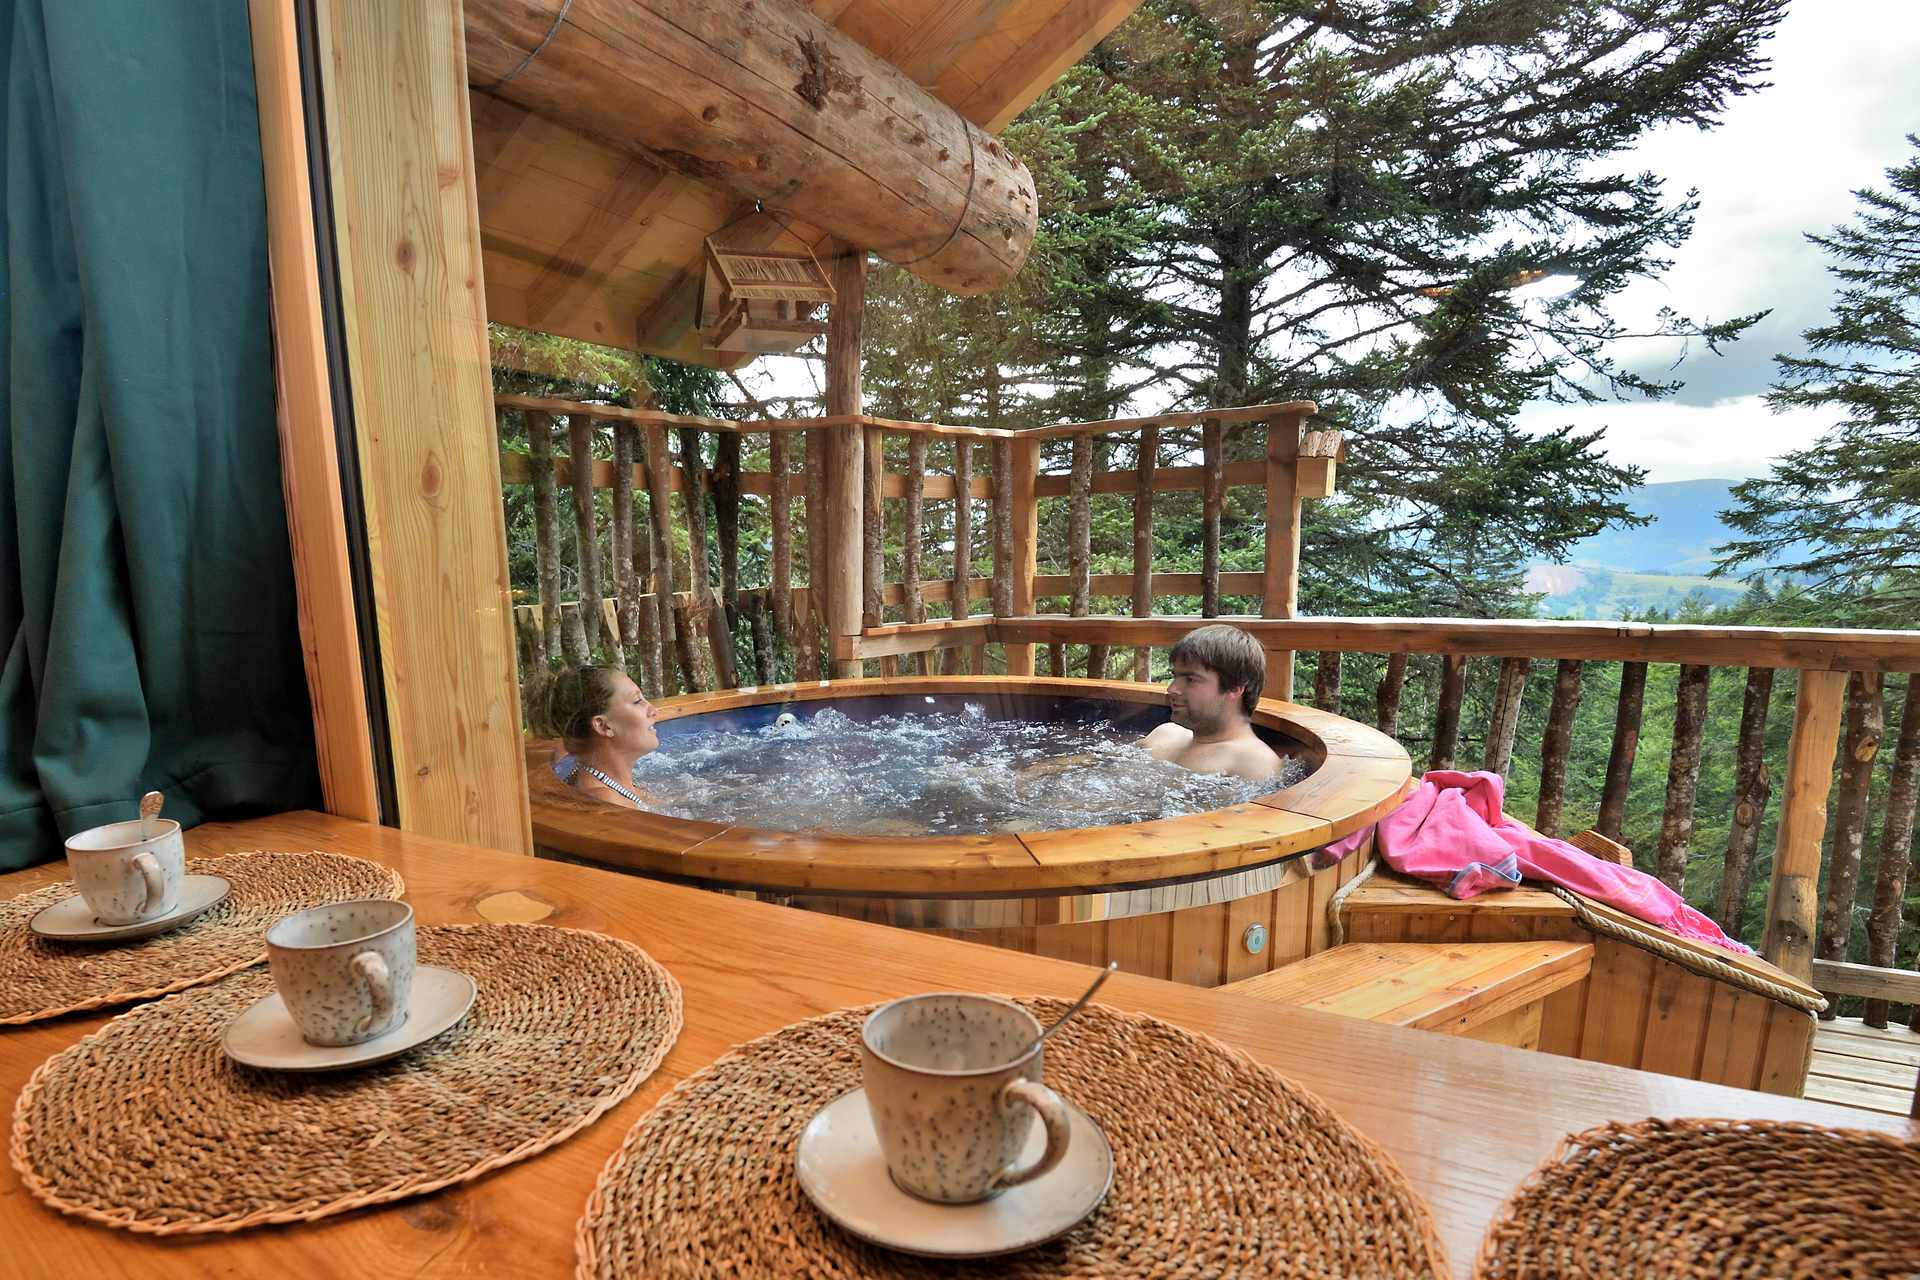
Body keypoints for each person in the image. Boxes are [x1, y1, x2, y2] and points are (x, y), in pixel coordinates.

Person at [1141, 624, 1286, 782]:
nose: (1172, 689)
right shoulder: (1164, 734)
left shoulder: (1255, 766)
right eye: (1175, 676)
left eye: (1190, 679)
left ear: (1235, 688)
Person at [528, 665, 659, 811]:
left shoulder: (614, 786)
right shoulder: (608, 802)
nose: (654, 710)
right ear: (603, 726)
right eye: (637, 701)